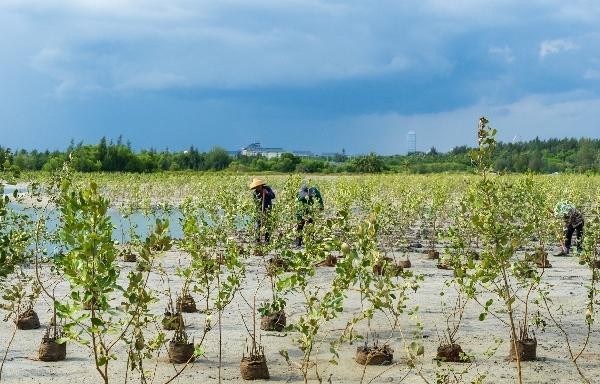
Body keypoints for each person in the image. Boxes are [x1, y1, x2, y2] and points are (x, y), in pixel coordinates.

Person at [249, 178, 276, 243]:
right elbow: (256, 203)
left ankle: (267, 240)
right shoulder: (255, 193)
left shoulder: (267, 188)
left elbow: (273, 196)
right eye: (256, 187)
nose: (258, 188)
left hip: (268, 209)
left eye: (258, 186)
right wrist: (260, 211)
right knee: (258, 225)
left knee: (268, 225)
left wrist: (266, 193)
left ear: (261, 185)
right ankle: (257, 240)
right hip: (259, 210)